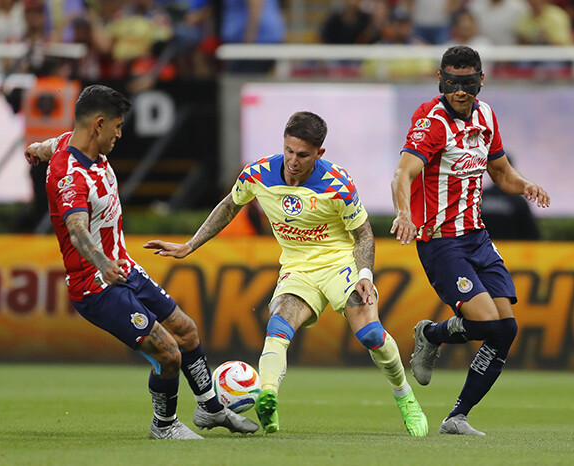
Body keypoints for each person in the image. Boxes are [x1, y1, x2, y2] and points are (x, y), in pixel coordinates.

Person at [144, 111, 429, 437]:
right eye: (289, 151)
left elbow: (364, 234)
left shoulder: (338, 185)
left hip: (340, 265)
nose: (293, 160)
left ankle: (405, 397)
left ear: (319, 153)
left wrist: (365, 273)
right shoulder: (258, 174)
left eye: (303, 155)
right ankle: (268, 397)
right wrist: (190, 245)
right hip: (297, 269)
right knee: (278, 326)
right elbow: (229, 206)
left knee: (371, 336)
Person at [23, 84, 258, 440]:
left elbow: (50, 145)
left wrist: (36, 150)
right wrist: (101, 262)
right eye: (117, 126)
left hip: (124, 268)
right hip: (96, 284)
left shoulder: (71, 141)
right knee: (168, 353)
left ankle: (210, 409)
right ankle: (163, 426)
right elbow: (76, 229)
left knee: (187, 330)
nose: (120, 134)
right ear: (98, 125)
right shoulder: (71, 177)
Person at [390, 46, 550, 436]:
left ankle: (456, 417)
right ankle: (430, 334)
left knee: (506, 329)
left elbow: (501, 172)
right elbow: (403, 174)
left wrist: (524, 184)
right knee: (483, 322)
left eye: (466, 82)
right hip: (442, 242)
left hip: (477, 238)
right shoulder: (432, 122)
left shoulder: (486, 115)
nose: (459, 91)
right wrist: (404, 214)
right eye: (451, 82)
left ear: (481, 79)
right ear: (440, 80)